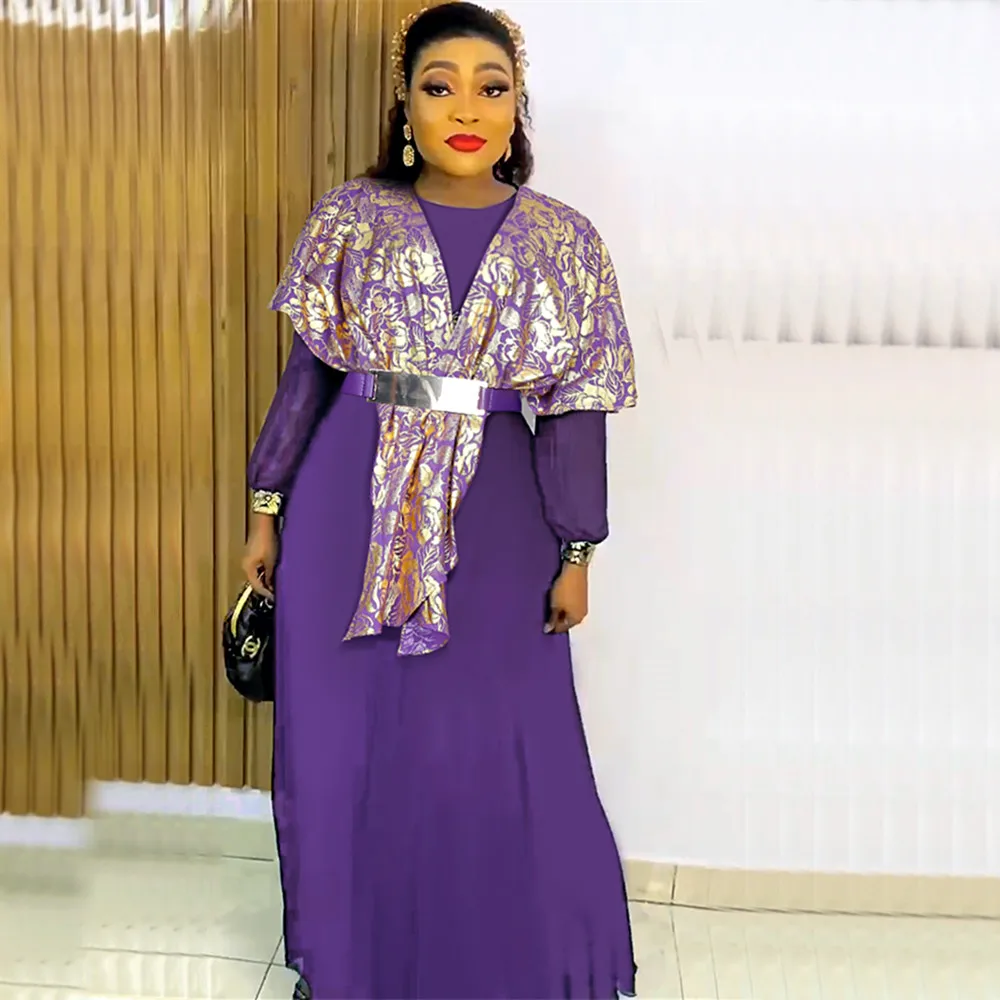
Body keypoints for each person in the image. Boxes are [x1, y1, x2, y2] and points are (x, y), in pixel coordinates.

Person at [242, 3, 638, 997]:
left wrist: (576, 551)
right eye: (439, 86)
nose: (466, 108)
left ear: (517, 107)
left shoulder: (565, 242)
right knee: (344, 740)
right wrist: (267, 505)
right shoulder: (351, 217)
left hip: (496, 514)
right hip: (346, 503)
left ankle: (500, 964)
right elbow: (308, 377)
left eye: (491, 88)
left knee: (494, 740)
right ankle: (350, 963)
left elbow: (575, 413)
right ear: (405, 105)